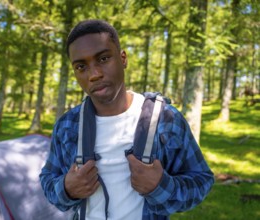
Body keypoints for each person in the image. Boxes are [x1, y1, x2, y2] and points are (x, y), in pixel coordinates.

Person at [40, 19, 214, 220]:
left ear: (123, 59)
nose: (94, 74)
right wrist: (66, 188)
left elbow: (202, 180)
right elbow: (48, 180)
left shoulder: (165, 119)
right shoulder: (67, 125)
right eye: (81, 67)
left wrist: (161, 186)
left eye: (104, 59)